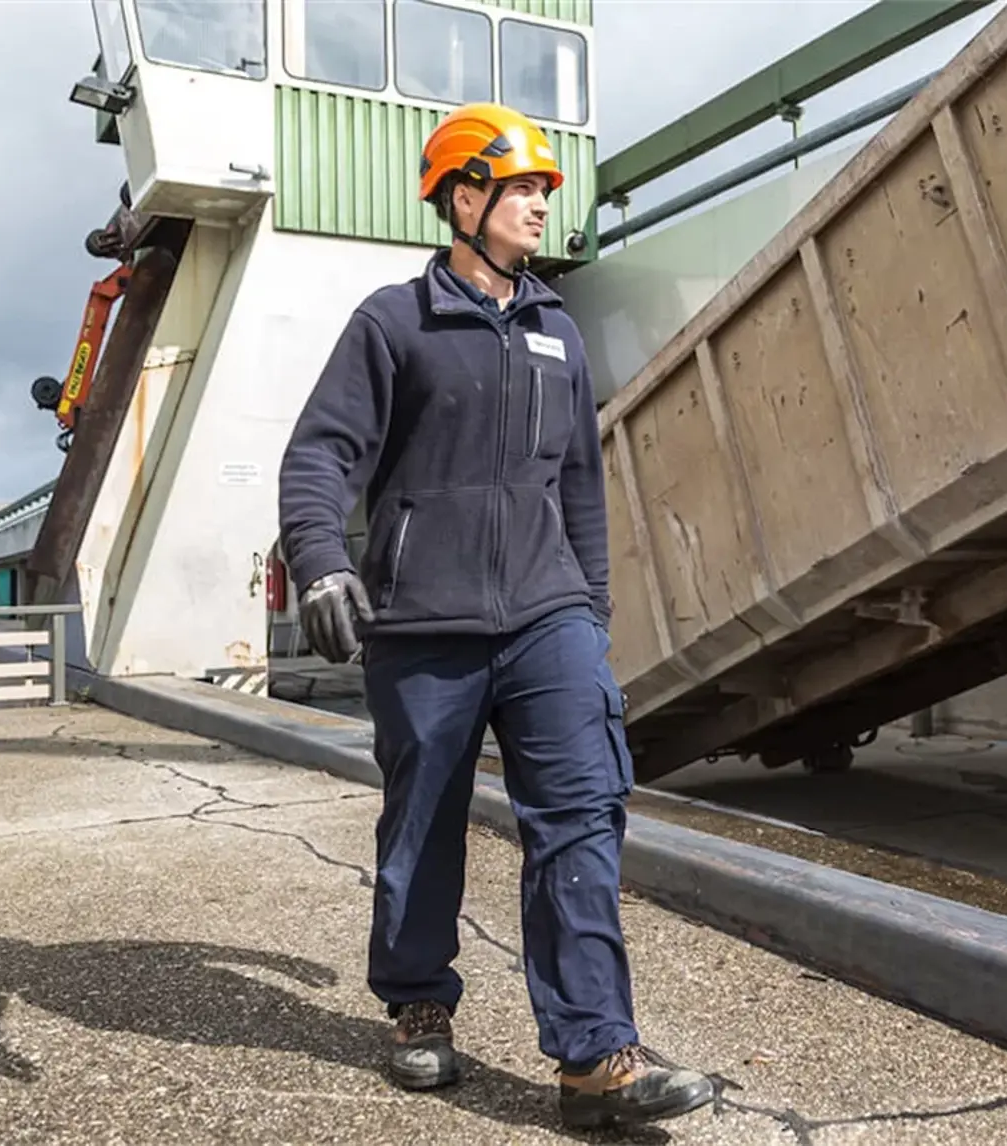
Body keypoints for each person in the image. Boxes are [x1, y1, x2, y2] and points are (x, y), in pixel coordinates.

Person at [276, 102, 715, 1130]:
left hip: (546, 616)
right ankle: (419, 1003)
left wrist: (590, 613)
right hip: (423, 622)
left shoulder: (558, 331)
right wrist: (323, 562)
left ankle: (596, 1056)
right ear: (461, 198)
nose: (536, 208)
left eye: (541, 192)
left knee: (580, 818)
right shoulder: (393, 323)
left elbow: (580, 487)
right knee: (422, 824)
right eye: (519, 189)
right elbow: (320, 454)